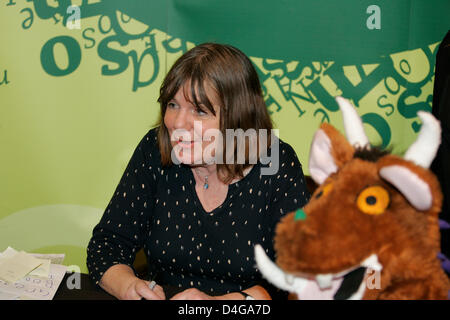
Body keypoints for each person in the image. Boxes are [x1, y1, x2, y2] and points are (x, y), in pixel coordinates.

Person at [87, 43, 310, 300]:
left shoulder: (275, 162)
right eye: (173, 105)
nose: (178, 123)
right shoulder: (155, 149)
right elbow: (107, 245)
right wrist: (128, 286)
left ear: (238, 117)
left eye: (200, 111)